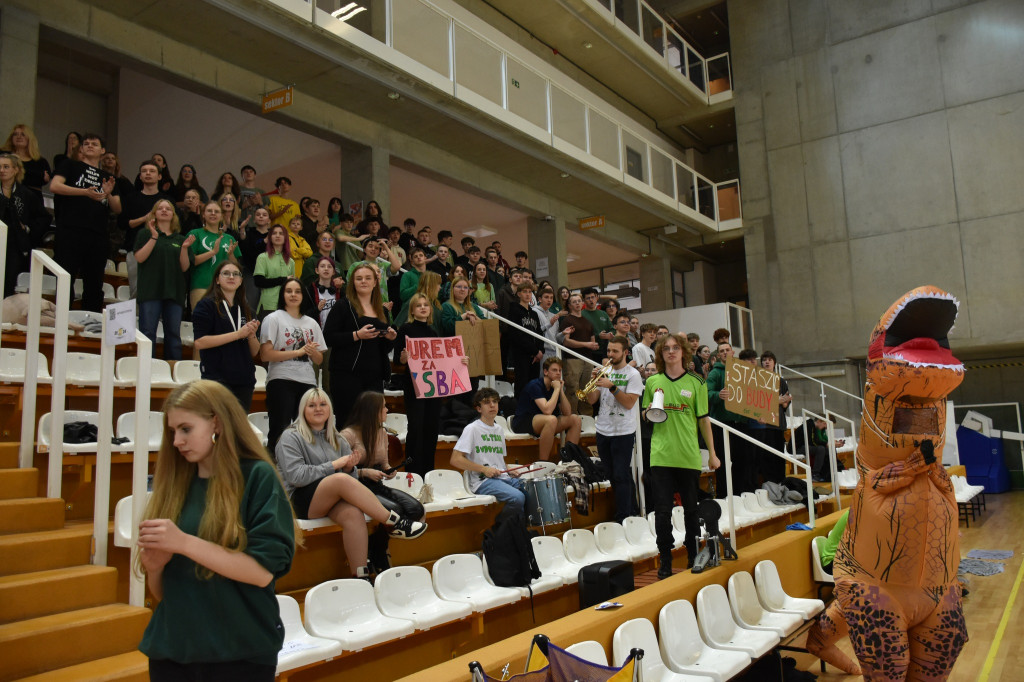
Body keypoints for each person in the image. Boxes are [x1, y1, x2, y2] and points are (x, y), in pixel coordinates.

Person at [137, 380, 296, 681]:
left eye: (186, 429)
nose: (176, 441)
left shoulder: (257, 477)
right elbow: (163, 594)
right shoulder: (174, 486)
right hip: (173, 649)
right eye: (172, 432)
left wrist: (183, 543)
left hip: (240, 651)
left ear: (217, 423)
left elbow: (262, 572)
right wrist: (155, 569)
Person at [276, 388, 425, 580]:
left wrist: (349, 469)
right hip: (298, 501)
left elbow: (351, 483)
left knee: (353, 514)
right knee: (339, 479)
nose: (318, 409)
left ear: (330, 409)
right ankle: (395, 522)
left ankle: (360, 576)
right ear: (302, 410)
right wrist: (336, 466)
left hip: (328, 498)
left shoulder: (337, 439)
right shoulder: (291, 436)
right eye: (311, 405)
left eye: (323, 404)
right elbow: (297, 476)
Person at [642, 333, 720, 579]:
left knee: (690, 511)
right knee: (662, 512)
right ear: (661, 354)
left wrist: (713, 454)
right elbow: (645, 413)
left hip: (688, 455)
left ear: (684, 352)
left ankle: (691, 555)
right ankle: (665, 560)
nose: (671, 352)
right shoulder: (653, 382)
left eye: (676, 348)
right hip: (661, 456)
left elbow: (704, 419)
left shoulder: (697, 383)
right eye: (666, 348)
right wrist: (649, 412)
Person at [341, 391, 427, 570]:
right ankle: (378, 550)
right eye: (384, 407)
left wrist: (389, 470)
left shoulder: (381, 432)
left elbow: (384, 462)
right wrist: (364, 472)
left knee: (416, 510)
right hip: (355, 486)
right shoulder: (347, 435)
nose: (387, 410)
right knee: (394, 510)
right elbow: (340, 471)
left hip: (376, 484)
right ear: (373, 411)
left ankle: (377, 544)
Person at [49, 133, 122, 312]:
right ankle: (61, 320)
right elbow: (55, 186)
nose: (89, 146)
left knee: (94, 282)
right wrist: (84, 192)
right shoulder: (70, 165)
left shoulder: (107, 176)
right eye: (86, 143)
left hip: (97, 234)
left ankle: (92, 325)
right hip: (70, 230)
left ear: (102, 150)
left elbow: (117, 208)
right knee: (66, 277)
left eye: (94, 144)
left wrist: (108, 193)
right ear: (81, 148)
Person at [323, 263, 396, 424]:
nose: (363, 281)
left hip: (374, 377)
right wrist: (356, 335)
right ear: (353, 283)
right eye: (359, 278)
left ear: (375, 282)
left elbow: (382, 349)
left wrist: (389, 339)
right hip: (346, 376)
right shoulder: (343, 306)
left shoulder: (382, 311)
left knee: (372, 426)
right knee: (348, 424)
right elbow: (328, 337)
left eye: (368, 278)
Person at [259, 277, 325, 451]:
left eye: (297, 291)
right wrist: (298, 352)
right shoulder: (273, 318)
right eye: (289, 291)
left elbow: (319, 360)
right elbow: (265, 355)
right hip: (281, 379)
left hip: (308, 382)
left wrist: (312, 352)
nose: (293, 295)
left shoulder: (311, 323)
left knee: (307, 431)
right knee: (280, 429)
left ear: (303, 295)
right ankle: (276, 471)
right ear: (282, 295)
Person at [583, 336, 643, 523]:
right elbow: (592, 400)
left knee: (620, 473)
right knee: (613, 475)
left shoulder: (633, 374)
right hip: (603, 429)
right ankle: (632, 510)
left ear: (625, 353)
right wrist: (594, 381)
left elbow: (629, 403)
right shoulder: (605, 371)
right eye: (609, 350)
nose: (610, 355)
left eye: (615, 351)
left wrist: (613, 387)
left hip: (623, 431)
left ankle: (624, 516)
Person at [192, 261, 260, 411]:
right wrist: (238, 334)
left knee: (238, 432)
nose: (231, 277)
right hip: (217, 379)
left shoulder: (247, 310)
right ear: (217, 279)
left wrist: (251, 335)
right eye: (226, 273)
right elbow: (200, 342)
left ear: (241, 280)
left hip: (244, 381)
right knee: (219, 429)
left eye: (236, 274)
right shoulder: (206, 305)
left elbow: (254, 351)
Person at [451, 387, 526, 518]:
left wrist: (507, 469)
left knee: (531, 490)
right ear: (479, 408)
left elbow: (497, 460)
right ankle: (499, 529)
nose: (492, 405)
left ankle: (518, 531)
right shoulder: (472, 429)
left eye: (495, 401)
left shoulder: (499, 429)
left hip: (502, 477)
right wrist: (484, 470)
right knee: (518, 498)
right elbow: (455, 459)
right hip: (482, 481)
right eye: (487, 402)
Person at [134, 199, 192, 360]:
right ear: (154, 214)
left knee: (173, 335)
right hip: (151, 291)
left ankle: (172, 370)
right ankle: (145, 369)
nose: (164, 210)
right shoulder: (145, 234)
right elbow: (139, 257)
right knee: (148, 332)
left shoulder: (181, 240)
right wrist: (154, 236)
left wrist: (185, 248)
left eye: (168, 208)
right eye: (160, 208)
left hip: (175, 292)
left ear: (173, 215)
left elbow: (185, 266)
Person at [511, 357, 582, 461]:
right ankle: (543, 462)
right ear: (545, 372)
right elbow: (547, 410)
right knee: (551, 419)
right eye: (554, 370)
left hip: (545, 422)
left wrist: (560, 390)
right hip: (524, 421)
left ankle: (569, 461)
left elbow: (567, 412)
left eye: (560, 371)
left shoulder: (555, 387)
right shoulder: (535, 385)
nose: (558, 373)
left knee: (575, 419)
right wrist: (557, 389)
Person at [706, 340, 754, 496]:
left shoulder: (742, 372)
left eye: (728, 349)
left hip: (740, 423)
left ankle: (739, 494)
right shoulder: (715, 373)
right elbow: (706, 393)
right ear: (719, 355)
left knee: (742, 461)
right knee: (722, 462)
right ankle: (723, 496)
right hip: (722, 424)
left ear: (733, 353)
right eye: (722, 351)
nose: (725, 352)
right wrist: (718, 395)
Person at [0, 154, 49, 295]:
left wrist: (27, 228)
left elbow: (44, 218)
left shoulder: (26, 194)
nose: (2, 170)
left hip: (15, 246)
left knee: (8, 284)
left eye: (6, 167)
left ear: (16, 170)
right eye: (0, 167)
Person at [187, 201, 241, 310]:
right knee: (202, 322)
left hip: (224, 287)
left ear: (221, 216)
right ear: (203, 214)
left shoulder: (228, 238)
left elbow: (236, 267)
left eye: (216, 211)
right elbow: (191, 261)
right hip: (201, 285)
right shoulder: (195, 234)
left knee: (224, 323)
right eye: (209, 211)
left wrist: (230, 255)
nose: (213, 213)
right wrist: (212, 252)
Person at [558, 293, 598, 415]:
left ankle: (587, 418)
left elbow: (593, 341)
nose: (577, 303)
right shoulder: (567, 320)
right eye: (574, 301)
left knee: (587, 389)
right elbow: (566, 341)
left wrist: (593, 345)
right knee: (573, 390)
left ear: (582, 303)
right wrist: (586, 344)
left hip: (588, 359)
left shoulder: (588, 322)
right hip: (572, 359)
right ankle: (571, 416)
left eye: (579, 301)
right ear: (569, 305)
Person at [758, 350, 792, 484]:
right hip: (765, 423)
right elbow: (759, 401)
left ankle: (780, 482)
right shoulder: (758, 380)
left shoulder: (781, 381)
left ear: (774, 363)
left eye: (769, 360)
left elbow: (785, 403)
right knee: (766, 455)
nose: (767, 362)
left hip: (778, 423)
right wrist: (776, 400)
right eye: (764, 360)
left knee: (779, 454)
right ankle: (769, 483)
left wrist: (782, 401)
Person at [507, 281, 545, 397]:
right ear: (519, 294)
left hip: (536, 357)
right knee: (522, 385)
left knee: (534, 386)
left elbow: (539, 334)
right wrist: (534, 351)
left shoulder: (534, 314)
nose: (528, 294)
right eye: (524, 292)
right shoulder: (514, 310)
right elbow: (517, 335)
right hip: (522, 354)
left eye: (530, 292)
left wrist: (540, 351)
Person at [253, 225, 293, 317]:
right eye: (274, 233)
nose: (277, 236)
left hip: (287, 305)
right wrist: (283, 280)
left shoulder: (291, 261)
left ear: (286, 237)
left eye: (281, 233)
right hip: (268, 305)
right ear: (270, 237)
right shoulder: (262, 257)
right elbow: (259, 282)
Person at [1, 124, 50, 194]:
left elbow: (44, 181)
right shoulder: (3, 154)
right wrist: (38, 175)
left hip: (32, 198)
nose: (19, 137)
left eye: (23, 134)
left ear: (29, 138)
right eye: (15, 134)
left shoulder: (40, 161)